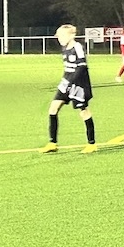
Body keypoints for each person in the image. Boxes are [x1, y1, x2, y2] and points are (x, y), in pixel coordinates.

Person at [41, 24, 97, 154]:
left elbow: (82, 67)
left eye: (61, 36)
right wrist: (65, 82)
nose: (59, 38)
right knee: (53, 109)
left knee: (84, 112)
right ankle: (52, 143)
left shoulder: (77, 47)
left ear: (72, 35)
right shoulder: (64, 48)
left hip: (79, 84)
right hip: (66, 83)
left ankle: (92, 144)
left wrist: (72, 83)